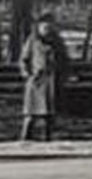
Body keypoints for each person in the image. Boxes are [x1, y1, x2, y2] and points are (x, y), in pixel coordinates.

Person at [19, 13, 70, 142]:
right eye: (44, 27)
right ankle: (25, 138)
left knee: (49, 113)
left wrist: (63, 75)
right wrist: (27, 74)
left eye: (49, 26)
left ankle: (47, 138)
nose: (46, 29)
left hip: (52, 81)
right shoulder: (32, 40)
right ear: (39, 27)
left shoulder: (57, 41)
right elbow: (24, 59)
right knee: (30, 114)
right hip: (36, 81)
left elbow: (65, 60)